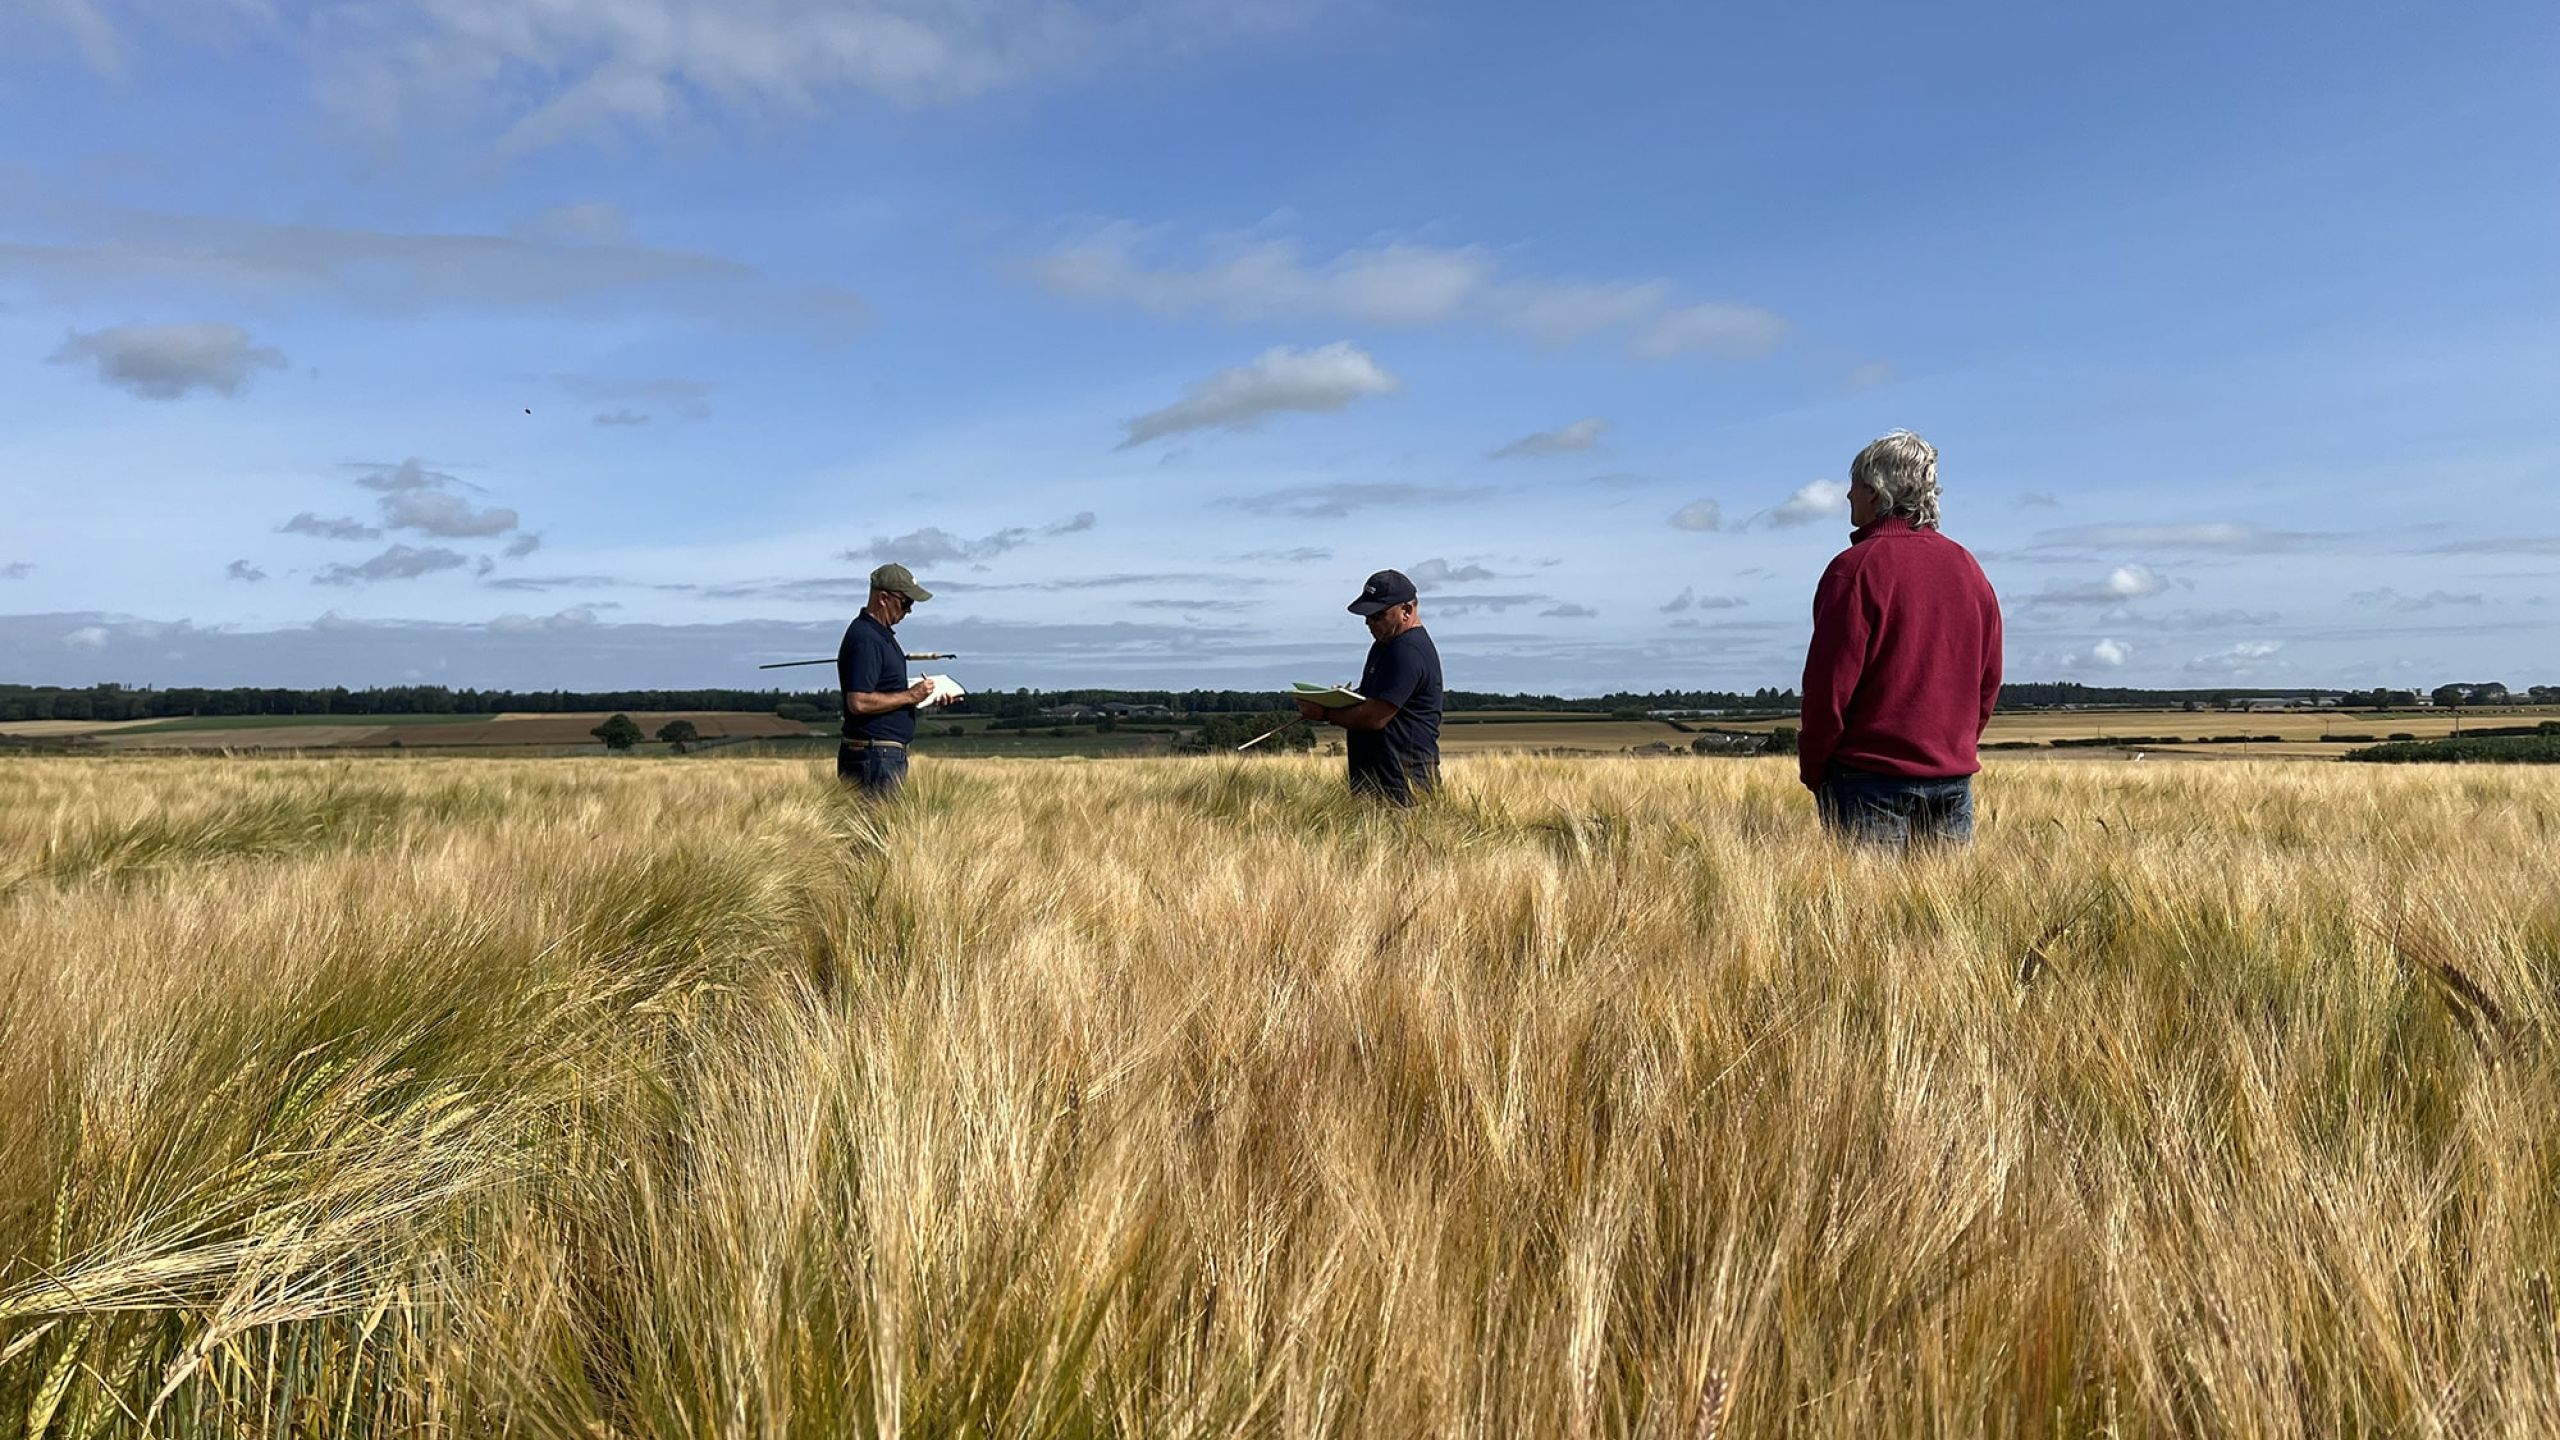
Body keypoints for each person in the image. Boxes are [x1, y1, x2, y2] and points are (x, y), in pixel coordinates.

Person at [1799, 431, 2003, 846]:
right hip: (1952, 779)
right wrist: (1955, 746)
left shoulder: (1854, 570)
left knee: (1867, 911)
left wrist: (1815, 768)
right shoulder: (1967, 567)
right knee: (1946, 909)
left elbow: (1829, 688)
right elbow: (1988, 678)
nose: (1847, 494)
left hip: (1870, 783)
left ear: (1876, 493)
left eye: (1854, 483)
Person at [1297, 568, 1445, 804]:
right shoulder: (1385, 645)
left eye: (1377, 615)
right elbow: (1372, 698)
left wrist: (1325, 713)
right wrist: (1340, 697)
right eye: (1366, 615)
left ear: (1406, 611)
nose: (1368, 622)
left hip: (1404, 786)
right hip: (1377, 780)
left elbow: (1375, 716)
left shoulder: (1407, 651)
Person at [836, 563, 950, 796]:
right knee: (876, 830)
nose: (909, 610)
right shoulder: (866, 639)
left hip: (881, 756)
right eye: (906, 602)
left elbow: (884, 691)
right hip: (874, 757)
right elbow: (858, 702)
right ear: (883, 598)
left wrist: (924, 698)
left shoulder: (880, 636)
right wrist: (911, 695)